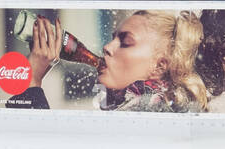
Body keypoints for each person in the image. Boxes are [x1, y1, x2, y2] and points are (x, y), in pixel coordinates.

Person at [11, 10, 208, 112]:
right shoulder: (136, 109)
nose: (107, 46)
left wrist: (33, 81)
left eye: (125, 42)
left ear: (158, 66)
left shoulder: (146, 115)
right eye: (113, 37)